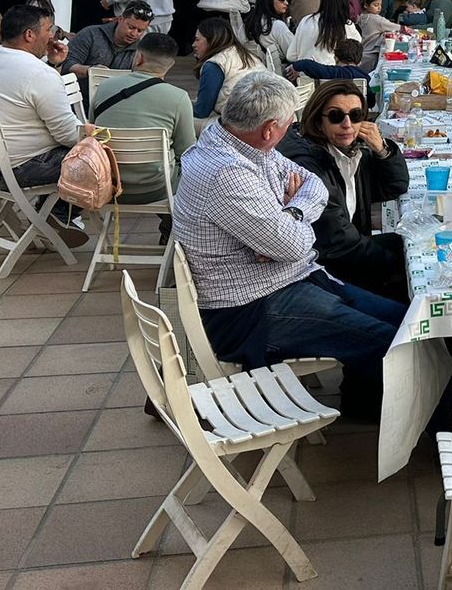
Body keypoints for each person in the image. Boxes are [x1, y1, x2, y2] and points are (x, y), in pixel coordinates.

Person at [172, 72, 406, 420]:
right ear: (269, 129)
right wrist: (289, 229)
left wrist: (291, 211)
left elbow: (313, 186)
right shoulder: (226, 171)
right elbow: (295, 245)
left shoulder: (242, 143)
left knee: (407, 322)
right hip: (250, 308)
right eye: (288, 124)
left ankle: (381, 408)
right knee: (393, 344)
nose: (291, 128)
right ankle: (419, 427)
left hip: (290, 277)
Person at [277, 80, 410, 302]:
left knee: (413, 243)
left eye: (355, 115)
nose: (347, 124)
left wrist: (383, 150)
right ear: (318, 122)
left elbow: (394, 186)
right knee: (406, 282)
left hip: (346, 255)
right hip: (324, 272)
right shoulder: (309, 166)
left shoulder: (349, 152)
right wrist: (400, 264)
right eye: (337, 116)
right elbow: (338, 242)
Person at [0, 3, 85, 244]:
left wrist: (53, 65)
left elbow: (25, 92)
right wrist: (92, 136)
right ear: (29, 35)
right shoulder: (38, 74)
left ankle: (53, 214)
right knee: (92, 156)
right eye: (49, 29)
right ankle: (57, 214)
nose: (53, 36)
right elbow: (68, 135)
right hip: (17, 170)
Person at [90, 32, 196, 206]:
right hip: (157, 189)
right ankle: (171, 226)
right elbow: (186, 152)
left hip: (106, 183)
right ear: (170, 65)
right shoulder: (179, 97)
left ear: (138, 57)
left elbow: (92, 129)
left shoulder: (104, 87)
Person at [60, 1, 155, 84]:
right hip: (80, 98)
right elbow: (65, 65)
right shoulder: (90, 34)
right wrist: (92, 71)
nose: (134, 34)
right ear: (120, 19)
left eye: (140, 31)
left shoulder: (141, 50)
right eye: (131, 27)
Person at [191, 17, 261, 129]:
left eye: (197, 40)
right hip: (263, 114)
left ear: (212, 40)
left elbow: (201, 111)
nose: (193, 45)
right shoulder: (244, 54)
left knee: (179, 122)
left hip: (244, 124)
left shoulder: (214, 65)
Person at [288, 0, 361, 66]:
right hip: (333, 75)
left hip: (303, 74)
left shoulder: (306, 20)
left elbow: (291, 55)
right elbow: (356, 50)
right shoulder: (346, 25)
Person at [244, 0, 295, 74]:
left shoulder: (253, 22)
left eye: (287, 0)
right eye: (282, 0)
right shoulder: (278, 26)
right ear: (270, 1)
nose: (286, 3)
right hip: (281, 73)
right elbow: (293, 54)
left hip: (260, 71)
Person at [289, 38, 371, 85]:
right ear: (359, 62)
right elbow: (371, 102)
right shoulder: (365, 77)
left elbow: (306, 64)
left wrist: (295, 66)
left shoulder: (334, 73)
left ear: (336, 58)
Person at [355, 0, 396, 66]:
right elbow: (398, 27)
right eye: (376, 5)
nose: (379, 8)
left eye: (380, 5)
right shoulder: (377, 20)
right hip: (370, 56)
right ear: (366, 5)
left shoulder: (360, 17)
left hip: (360, 54)